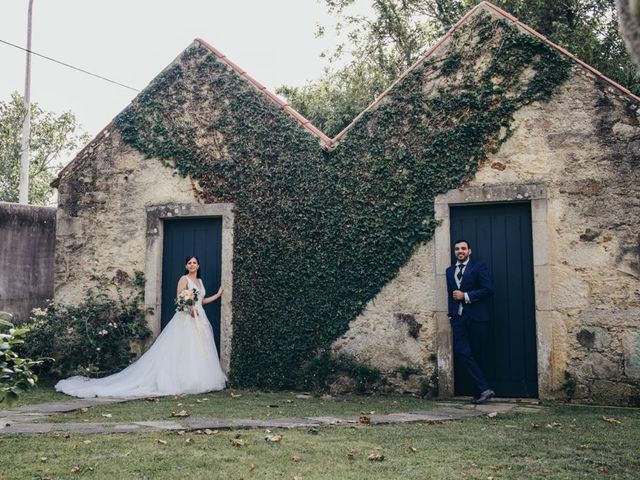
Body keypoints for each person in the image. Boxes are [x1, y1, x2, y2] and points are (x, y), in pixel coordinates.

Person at [55, 256, 227, 397]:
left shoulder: (200, 281)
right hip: (186, 318)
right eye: (189, 262)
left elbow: (201, 301)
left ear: (198, 265)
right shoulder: (184, 279)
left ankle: (198, 379)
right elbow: (180, 299)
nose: (192, 265)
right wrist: (189, 311)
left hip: (200, 317)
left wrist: (217, 296)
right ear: (185, 265)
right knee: (182, 348)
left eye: (194, 262)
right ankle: (180, 380)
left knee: (198, 348)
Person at [446, 239, 495, 404]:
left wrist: (466, 296)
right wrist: (452, 314)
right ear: (455, 252)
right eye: (457, 249)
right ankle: (484, 389)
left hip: (477, 318)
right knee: (462, 352)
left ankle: (480, 392)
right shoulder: (449, 271)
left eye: (463, 248)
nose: (460, 251)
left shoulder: (478, 267)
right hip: (458, 319)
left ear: (469, 251)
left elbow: (488, 289)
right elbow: (450, 294)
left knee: (479, 354)